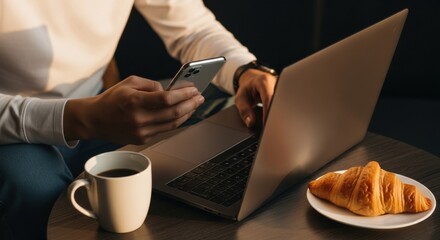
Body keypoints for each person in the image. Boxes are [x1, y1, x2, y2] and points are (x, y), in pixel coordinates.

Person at [0, 1, 277, 239]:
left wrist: (245, 71)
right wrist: (81, 118)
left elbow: (192, 27)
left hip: (98, 105)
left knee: (214, 139)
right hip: (12, 131)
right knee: (38, 194)